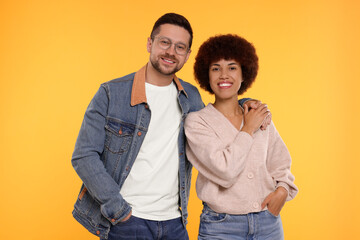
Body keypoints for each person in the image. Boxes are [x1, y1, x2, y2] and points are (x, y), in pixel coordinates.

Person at [71, 13, 269, 240]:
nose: (170, 52)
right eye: (164, 42)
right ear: (149, 43)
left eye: (180, 47)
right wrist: (119, 210)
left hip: (174, 223)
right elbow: (84, 156)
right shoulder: (111, 93)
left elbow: (216, 116)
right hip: (128, 222)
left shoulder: (190, 97)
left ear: (187, 55)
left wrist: (245, 104)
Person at [184, 34, 298, 240]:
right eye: (215, 68)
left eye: (232, 67)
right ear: (206, 76)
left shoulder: (259, 114)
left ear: (244, 73)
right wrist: (248, 129)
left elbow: (280, 162)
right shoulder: (197, 122)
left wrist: (282, 190)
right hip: (221, 226)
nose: (224, 75)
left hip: (268, 224)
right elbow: (225, 171)